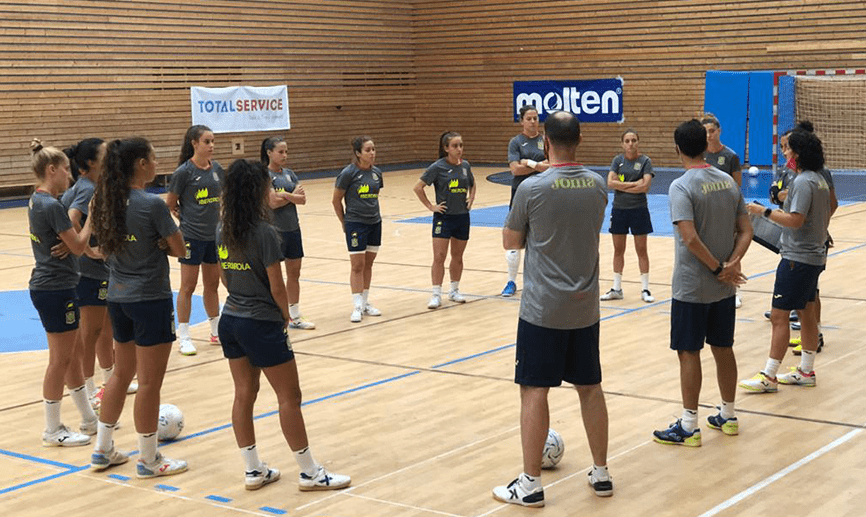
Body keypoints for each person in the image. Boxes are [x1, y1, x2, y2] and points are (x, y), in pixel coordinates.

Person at [493, 111, 612, 507]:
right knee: (590, 389)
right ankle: (601, 473)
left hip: (543, 309)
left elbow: (512, 239)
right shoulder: (598, 186)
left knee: (534, 391)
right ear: (579, 141)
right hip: (585, 309)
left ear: (545, 141)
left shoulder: (532, 188)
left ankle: (529, 484)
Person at [217, 159, 351, 492]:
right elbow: (278, 286)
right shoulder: (265, 231)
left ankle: (253, 470)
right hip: (261, 322)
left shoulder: (222, 227)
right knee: (290, 397)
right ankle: (310, 473)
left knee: (244, 394)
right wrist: (284, 318)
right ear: (256, 190)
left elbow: (224, 276)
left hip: (230, 318)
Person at [88, 137, 189, 477]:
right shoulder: (151, 205)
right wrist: (164, 241)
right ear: (141, 165)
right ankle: (149, 459)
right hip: (150, 299)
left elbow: (103, 246)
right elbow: (181, 249)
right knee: (149, 383)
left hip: (118, 298)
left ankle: (102, 449)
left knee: (121, 372)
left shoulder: (104, 200)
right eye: (154, 158)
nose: (157, 163)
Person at [652, 120, 752, 447]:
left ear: (677, 148)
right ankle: (729, 414)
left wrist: (717, 269)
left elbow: (690, 238)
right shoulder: (726, 181)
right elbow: (746, 230)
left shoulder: (681, 186)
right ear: (705, 144)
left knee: (689, 352)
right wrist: (732, 264)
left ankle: (689, 425)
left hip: (694, 286)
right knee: (723, 348)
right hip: (724, 287)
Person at [739, 127, 832, 392]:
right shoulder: (820, 179)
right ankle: (806, 370)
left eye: (789, 148)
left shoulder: (803, 182)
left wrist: (763, 211)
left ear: (799, 152)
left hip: (797, 259)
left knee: (780, 317)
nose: (786, 153)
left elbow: (795, 219)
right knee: (806, 314)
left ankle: (769, 376)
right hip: (813, 255)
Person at [28, 139, 99, 447]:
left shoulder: (35, 200)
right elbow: (79, 245)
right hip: (56, 288)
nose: (70, 175)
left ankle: (88, 419)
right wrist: (92, 216)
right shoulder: (52, 205)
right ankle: (52, 429)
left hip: (50, 286)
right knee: (61, 360)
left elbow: (71, 246)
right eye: (66, 169)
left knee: (67, 358)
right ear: (51, 169)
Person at [61, 139, 138, 409]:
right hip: (88, 274)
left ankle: (111, 379)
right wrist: (87, 250)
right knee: (90, 332)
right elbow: (70, 220)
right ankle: (90, 388)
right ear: (91, 163)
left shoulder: (91, 186)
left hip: (97, 272)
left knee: (105, 329)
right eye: (104, 152)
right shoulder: (87, 189)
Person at [769, 122, 839, 355]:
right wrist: (781, 196)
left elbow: (827, 205)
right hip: (801, 244)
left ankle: (774, 371)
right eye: (782, 147)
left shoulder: (815, 175)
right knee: (806, 302)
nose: (784, 151)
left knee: (810, 296)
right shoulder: (792, 172)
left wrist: (818, 229)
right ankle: (807, 364)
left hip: (804, 248)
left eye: (787, 147)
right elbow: (781, 195)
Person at [167, 125, 224, 355]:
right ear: (194, 143)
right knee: (188, 287)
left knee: (213, 285)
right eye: (207, 141)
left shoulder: (218, 169)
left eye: (212, 141)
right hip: (191, 237)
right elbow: (169, 204)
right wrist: (182, 218)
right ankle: (184, 335)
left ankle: (216, 331)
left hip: (215, 236)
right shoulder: (184, 172)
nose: (211, 146)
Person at [413, 132, 476, 309]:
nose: (459, 149)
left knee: (457, 256)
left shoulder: (465, 166)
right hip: (443, 218)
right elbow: (418, 187)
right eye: (455, 146)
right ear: (446, 148)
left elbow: (472, 183)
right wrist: (431, 206)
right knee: (439, 256)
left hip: (462, 217)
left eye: (461, 145)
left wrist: (471, 199)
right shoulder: (437, 167)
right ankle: (436, 294)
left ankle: (454, 290)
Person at [261, 137, 315, 330]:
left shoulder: (290, 174)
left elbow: (302, 200)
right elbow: (272, 203)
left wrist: (285, 195)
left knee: (294, 274)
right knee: (271, 276)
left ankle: (294, 315)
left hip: (293, 229)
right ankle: (273, 314)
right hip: (273, 231)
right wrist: (291, 196)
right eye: (280, 152)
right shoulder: (264, 175)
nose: (285, 156)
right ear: (269, 152)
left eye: (286, 152)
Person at [600, 129, 656, 303]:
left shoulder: (645, 161)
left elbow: (645, 186)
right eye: (627, 141)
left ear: (638, 142)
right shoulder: (618, 161)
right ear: (622, 143)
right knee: (618, 250)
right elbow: (610, 183)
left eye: (633, 140)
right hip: (619, 210)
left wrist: (621, 185)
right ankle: (617, 288)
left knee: (641, 250)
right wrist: (634, 184)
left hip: (639, 209)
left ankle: (645, 289)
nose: (630, 143)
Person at [332, 136, 384, 323]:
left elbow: (374, 197)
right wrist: (344, 222)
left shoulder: (377, 173)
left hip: (375, 223)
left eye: (373, 149)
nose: (372, 153)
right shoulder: (348, 173)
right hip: (356, 223)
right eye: (368, 150)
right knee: (357, 265)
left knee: (368, 264)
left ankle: (365, 302)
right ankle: (356, 306)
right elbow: (336, 200)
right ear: (358, 153)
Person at [502, 105, 549, 297]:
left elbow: (551, 166)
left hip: (542, 195)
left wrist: (528, 163)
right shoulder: (516, 142)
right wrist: (538, 166)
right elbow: (514, 170)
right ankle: (511, 282)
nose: (533, 121)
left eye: (535, 118)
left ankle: (538, 281)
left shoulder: (546, 140)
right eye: (529, 118)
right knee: (514, 240)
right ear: (522, 121)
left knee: (539, 240)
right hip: (520, 195)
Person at [702, 113, 745, 308]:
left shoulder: (730, 156)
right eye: (706, 132)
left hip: (726, 210)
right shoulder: (700, 155)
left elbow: (736, 187)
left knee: (732, 250)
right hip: (706, 210)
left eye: (712, 131)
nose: (709, 135)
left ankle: (735, 289)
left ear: (719, 131)